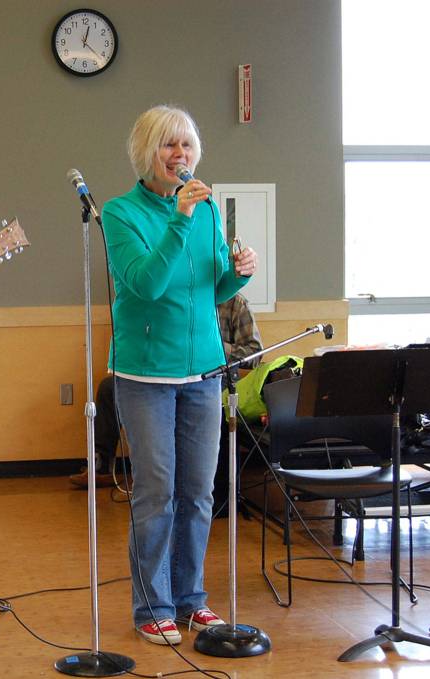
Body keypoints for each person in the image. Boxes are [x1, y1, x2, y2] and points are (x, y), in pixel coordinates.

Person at [101, 105, 257, 645]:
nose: (181, 156)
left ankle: (191, 600)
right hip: (144, 375)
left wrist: (236, 275)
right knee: (157, 492)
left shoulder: (208, 211)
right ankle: (152, 606)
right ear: (147, 152)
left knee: (198, 492)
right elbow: (146, 284)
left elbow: (208, 291)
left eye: (187, 146)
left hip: (204, 372)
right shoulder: (120, 214)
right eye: (169, 146)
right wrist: (179, 220)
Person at [69, 292, 262, 489]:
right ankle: (103, 465)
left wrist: (213, 344)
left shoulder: (235, 302)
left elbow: (254, 353)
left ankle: (174, 477)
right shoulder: (174, 294)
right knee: (109, 387)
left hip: (214, 379)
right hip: (166, 372)